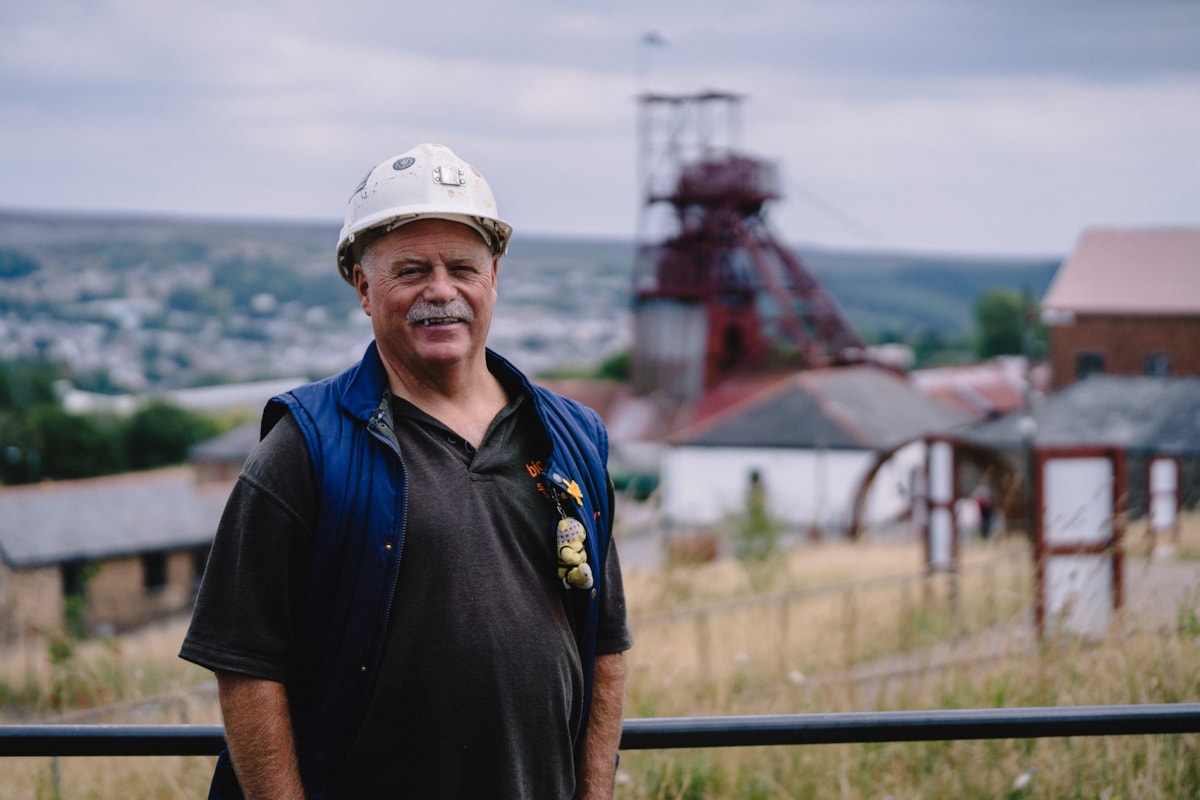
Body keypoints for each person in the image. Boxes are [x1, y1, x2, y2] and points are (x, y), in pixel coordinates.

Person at [180, 143, 632, 800]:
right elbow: (245, 667)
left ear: (495, 275)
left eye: (462, 268)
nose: (440, 291)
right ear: (363, 288)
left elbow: (606, 646)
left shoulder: (571, 438)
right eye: (411, 271)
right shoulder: (306, 446)